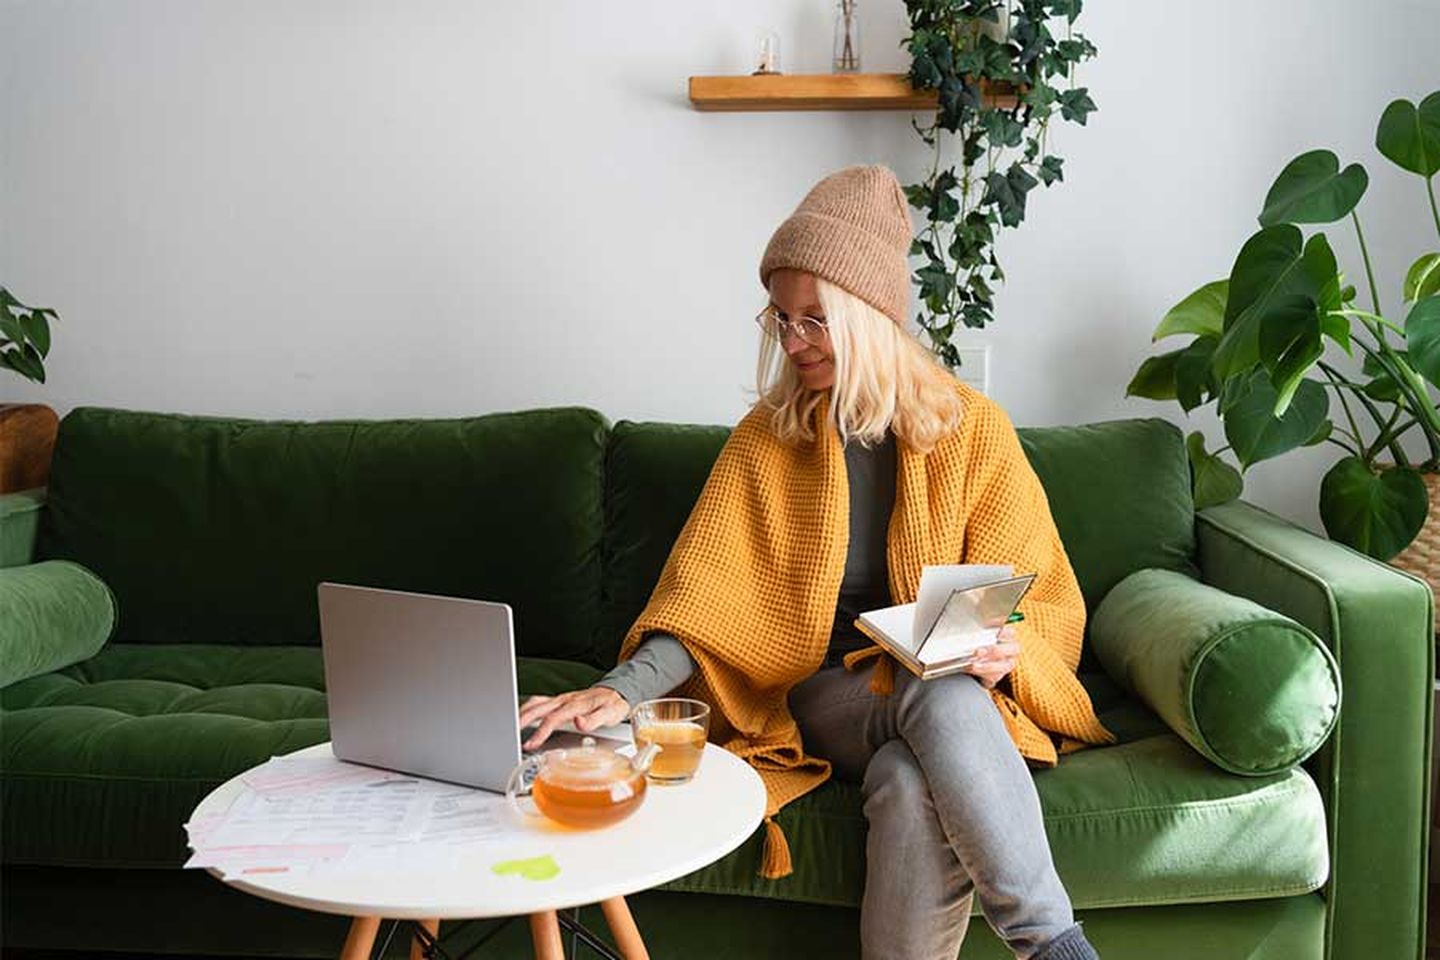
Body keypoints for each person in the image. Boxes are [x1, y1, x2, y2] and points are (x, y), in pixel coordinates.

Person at [519, 165, 1111, 960]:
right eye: (782, 319)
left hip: (944, 705)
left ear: (870, 320)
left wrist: (1007, 648)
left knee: (908, 780)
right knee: (928, 690)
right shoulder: (768, 441)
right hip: (822, 697)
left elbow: (1037, 595)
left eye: (815, 320)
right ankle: (1056, 948)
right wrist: (615, 695)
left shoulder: (975, 433)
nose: (793, 341)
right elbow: (705, 606)